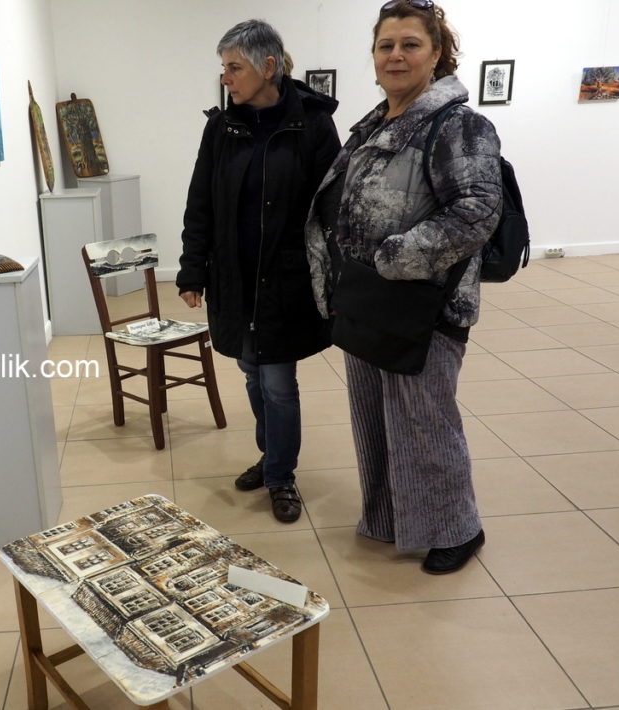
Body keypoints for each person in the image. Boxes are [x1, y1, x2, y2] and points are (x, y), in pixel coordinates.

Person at [304, 0, 502, 572]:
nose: (396, 55)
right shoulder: (376, 123)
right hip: (368, 300)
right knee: (375, 416)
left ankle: (458, 529)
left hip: (422, 305)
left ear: (436, 54)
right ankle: (392, 517)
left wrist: (394, 257)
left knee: (424, 420)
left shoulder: (459, 125)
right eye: (385, 45)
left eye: (410, 44)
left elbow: (477, 211)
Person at [177, 19, 341, 523]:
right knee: (251, 370)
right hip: (235, 275)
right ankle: (271, 457)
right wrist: (191, 270)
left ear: (268, 67)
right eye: (223, 67)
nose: (225, 77)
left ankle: (281, 475)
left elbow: (333, 207)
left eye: (234, 67)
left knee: (278, 380)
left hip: (286, 276)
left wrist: (337, 278)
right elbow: (200, 201)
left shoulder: (312, 124)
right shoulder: (221, 127)